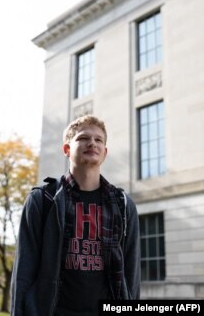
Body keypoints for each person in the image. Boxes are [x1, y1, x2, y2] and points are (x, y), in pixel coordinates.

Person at [11, 115, 140, 316]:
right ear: (66, 149)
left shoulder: (123, 205)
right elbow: (23, 274)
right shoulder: (42, 200)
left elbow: (131, 276)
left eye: (99, 140)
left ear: (105, 152)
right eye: (83, 138)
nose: (92, 143)